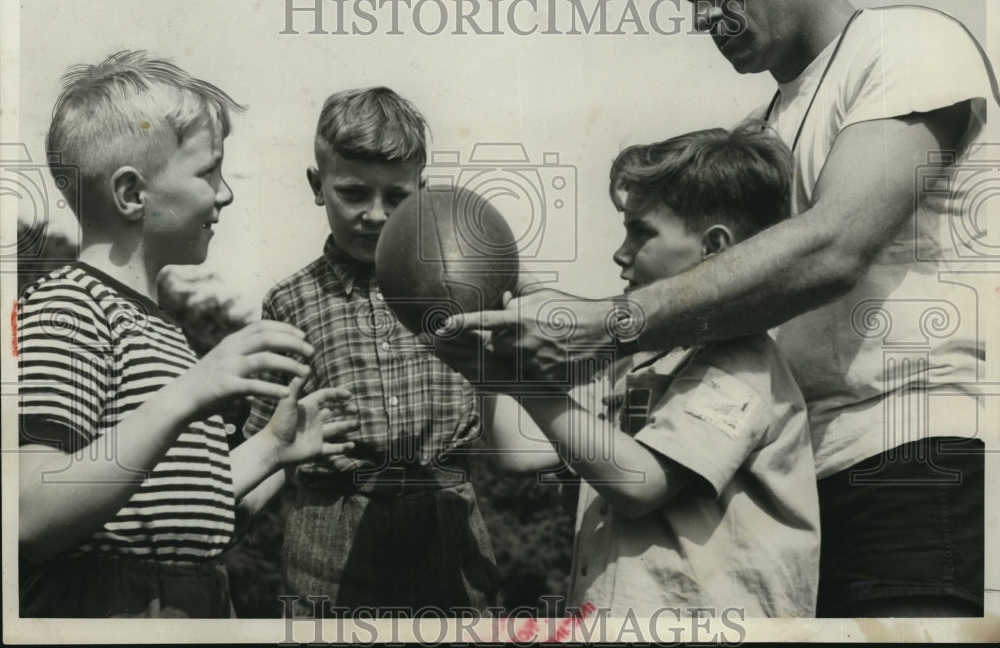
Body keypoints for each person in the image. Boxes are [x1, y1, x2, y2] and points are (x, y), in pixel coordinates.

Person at [444, 0, 995, 617]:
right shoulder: (759, 136)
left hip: (911, 455)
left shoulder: (905, 45)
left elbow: (834, 246)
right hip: (788, 477)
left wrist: (602, 324)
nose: (705, 14)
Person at [18, 50, 359, 618]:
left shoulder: (163, 331)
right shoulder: (68, 306)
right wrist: (190, 391)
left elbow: (179, 516)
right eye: (208, 172)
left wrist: (273, 450)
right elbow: (30, 515)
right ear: (132, 195)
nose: (225, 193)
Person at [437, 122, 819, 617]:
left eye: (641, 232)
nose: (620, 253)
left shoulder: (742, 361)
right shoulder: (637, 357)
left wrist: (522, 382)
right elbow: (518, 449)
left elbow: (641, 484)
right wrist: (492, 358)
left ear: (716, 246)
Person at [242, 87, 498, 615]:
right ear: (318, 185)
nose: (376, 215)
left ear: (422, 191)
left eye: (397, 198)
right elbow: (269, 437)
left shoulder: (461, 287)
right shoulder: (289, 300)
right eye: (353, 193)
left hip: (446, 510)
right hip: (330, 522)